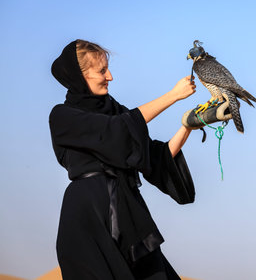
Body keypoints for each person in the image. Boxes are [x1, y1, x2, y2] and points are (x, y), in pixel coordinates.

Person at [49, 39, 197, 280]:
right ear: (79, 75)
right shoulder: (62, 116)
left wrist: (189, 125)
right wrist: (172, 96)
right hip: (89, 218)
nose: (110, 77)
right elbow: (116, 132)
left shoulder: (117, 111)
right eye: (101, 71)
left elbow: (156, 157)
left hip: (130, 216)